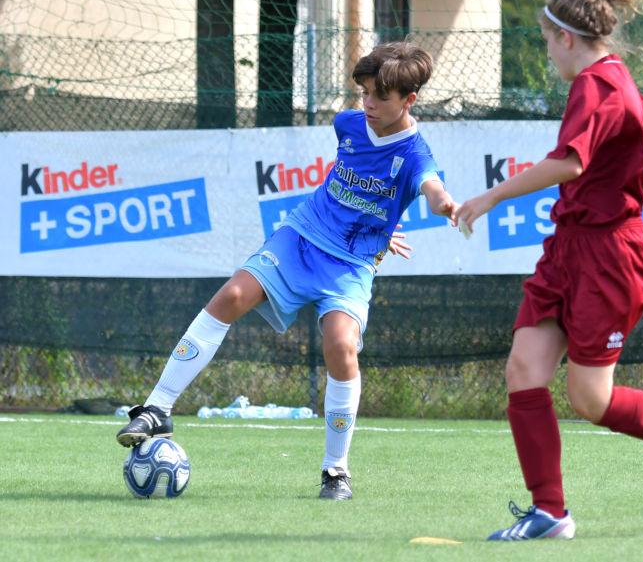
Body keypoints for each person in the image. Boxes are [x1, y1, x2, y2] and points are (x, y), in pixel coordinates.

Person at [455, 0, 643, 540]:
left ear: (565, 37)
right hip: (569, 249)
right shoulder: (616, 79)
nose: (548, 52)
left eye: (547, 40)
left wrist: (491, 197)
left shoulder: (598, 85)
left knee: (590, 399)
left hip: (608, 257)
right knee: (524, 369)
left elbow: (571, 162)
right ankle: (549, 512)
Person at [116, 41, 457, 501]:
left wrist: (442, 205)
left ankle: (336, 471)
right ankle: (158, 407)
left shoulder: (415, 153)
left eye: (380, 96)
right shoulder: (349, 124)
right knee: (232, 296)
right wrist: (377, 221)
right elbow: (345, 181)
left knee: (340, 346)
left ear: (409, 100)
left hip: (350, 264)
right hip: (302, 236)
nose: (368, 104)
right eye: (364, 93)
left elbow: (430, 187)